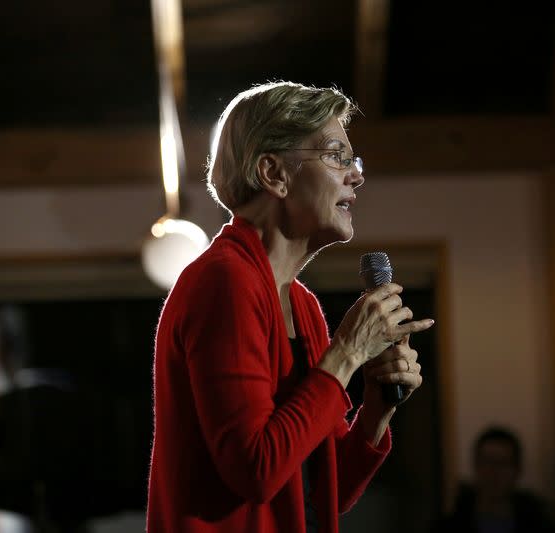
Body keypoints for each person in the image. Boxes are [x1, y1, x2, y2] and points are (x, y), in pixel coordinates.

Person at [146, 81, 434, 532]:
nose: (356, 175)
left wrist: (376, 406)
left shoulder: (302, 304)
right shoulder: (224, 281)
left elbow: (323, 492)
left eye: (352, 161)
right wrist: (346, 355)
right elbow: (256, 470)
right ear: (274, 173)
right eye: (337, 155)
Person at [433, 425, 555, 533]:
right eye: (487, 462)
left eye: (503, 463)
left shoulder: (539, 525)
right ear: (476, 466)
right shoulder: (449, 527)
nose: (494, 471)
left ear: (517, 469)